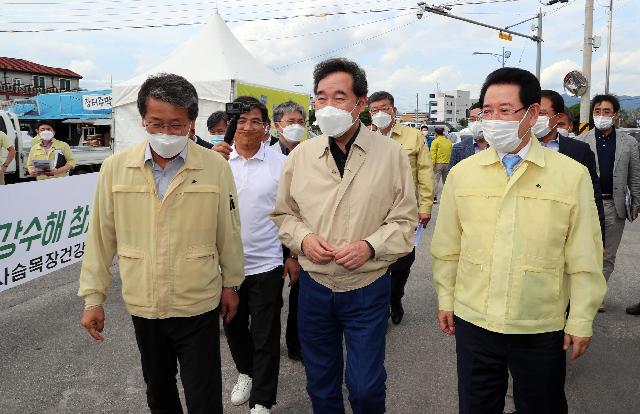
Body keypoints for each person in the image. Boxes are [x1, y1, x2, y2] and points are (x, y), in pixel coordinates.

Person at [431, 67, 606, 414]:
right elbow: (448, 246)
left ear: (531, 114)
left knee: (542, 405)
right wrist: (446, 297)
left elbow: (584, 254)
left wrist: (581, 318)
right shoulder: (463, 173)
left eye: (506, 110)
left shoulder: (571, 175)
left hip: (540, 323)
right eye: (488, 111)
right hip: (474, 319)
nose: (494, 119)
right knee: (477, 405)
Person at [78, 73, 244, 414]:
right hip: (144, 302)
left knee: (204, 394)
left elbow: (228, 230)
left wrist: (233, 284)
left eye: (176, 124)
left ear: (192, 122)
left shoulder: (215, 166)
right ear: (142, 119)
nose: (166, 133)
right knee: (159, 390)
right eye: (156, 123)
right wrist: (92, 298)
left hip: (197, 301)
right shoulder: (115, 168)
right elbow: (100, 237)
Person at [271, 57, 417, 414]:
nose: (328, 106)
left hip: (367, 287)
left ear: (360, 103)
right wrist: (303, 240)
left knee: (365, 387)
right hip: (315, 287)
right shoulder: (301, 156)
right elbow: (284, 214)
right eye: (321, 98)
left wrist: (370, 246)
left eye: (339, 97)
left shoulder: (391, 154)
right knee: (320, 381)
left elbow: (405, 220)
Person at [223, 96, 287, 414]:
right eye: (241, 120)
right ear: (231, 124)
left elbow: (290, 213)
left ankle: (263, 400)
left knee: (265, 334)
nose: (248, 127)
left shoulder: (280, 164)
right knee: (233, 328)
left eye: (255, 121)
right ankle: (247, 372)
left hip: (268, 263)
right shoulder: (217, 161)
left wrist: (291, 256)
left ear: (266, 127)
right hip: (226, 267)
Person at [368, 90, 434, 324]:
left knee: (403, 262)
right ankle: (380, 307)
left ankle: (395, 297)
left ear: (394, 110)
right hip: (373, 213)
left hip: (406, 211)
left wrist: (425, 206)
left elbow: (425, 173)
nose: (380, 114)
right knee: (375, 260)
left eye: (385, 108)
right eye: (375, 110)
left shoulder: (413, 136)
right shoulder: (364, 138)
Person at [577, 94, 640, 312]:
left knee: (608, 254)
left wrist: (636, 202)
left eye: (606, 111)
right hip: (588, 205)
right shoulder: (582, 140)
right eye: (597, 111)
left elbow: (634, 176)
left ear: (615, 116)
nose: (601, 115)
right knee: (586, 251)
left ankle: (597, 296)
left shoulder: (629, 143)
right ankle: (582, 293)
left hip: (614, 205)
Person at [535, 89, 605, 242]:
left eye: (541, 113)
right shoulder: (517, 149)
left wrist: (597, 239)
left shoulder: (579, 151)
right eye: (532, 112)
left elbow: (593, 197)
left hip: (568, 230)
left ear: (559, 117)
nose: (535, 118)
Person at [270, 100, 305, 361]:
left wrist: (294, 254)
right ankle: (265, 345)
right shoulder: (267, 156)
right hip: (271, 236)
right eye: (290, 122)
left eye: (300, 122)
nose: (296, 127)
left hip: (299, 235)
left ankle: (296, 344)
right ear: (276, 125)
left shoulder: (311, 155)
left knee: (299, 295)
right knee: (270, 298)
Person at [448, 102, 489, 170]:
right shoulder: (458, 148)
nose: (476, 123)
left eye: (480, 119)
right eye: (472, 119)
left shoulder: (500, 147)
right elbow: (452, 177)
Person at [430, 126, 452, 202]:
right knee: (446, 181)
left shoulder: (435, 141)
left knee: (435, 181)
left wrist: (432, 164)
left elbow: (433, 154)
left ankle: (434, 197)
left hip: (438, 164)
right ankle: (448, 196)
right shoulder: (448, 141)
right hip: (447, 163)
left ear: (436, 133)